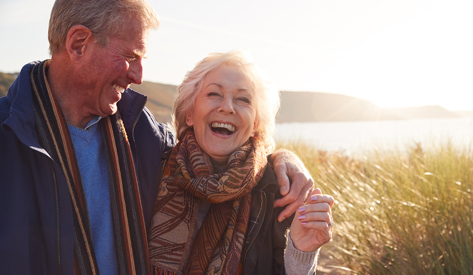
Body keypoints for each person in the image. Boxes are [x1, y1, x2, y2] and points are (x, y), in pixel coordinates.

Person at [0, 0, 316, 274]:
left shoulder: (144, 134)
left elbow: (215, 153)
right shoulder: (7, 136)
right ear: (78, 43)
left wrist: (282, 159)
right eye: (131, 55)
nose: (138, 76)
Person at [148, 51, 334, 275]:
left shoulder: (281, 191)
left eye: (243, 99)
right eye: (214, 94)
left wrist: (302, 253)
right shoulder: (152, 171)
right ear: (189, 113)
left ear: (255, 123)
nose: (227, 107)